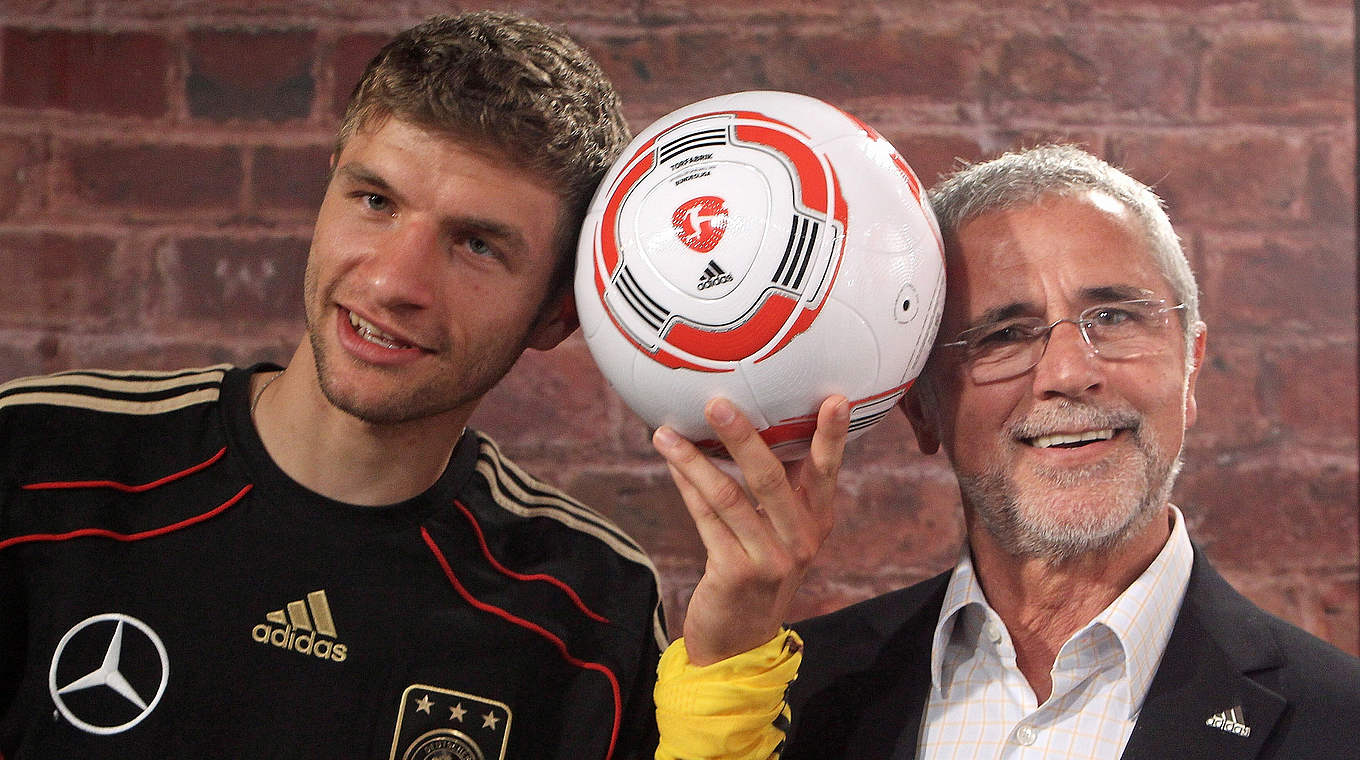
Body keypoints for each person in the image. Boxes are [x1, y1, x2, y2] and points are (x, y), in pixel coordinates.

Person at [0, 12, 675, 759]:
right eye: (375, 201)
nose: (393, 282)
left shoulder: (591, 606)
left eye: (476, 244)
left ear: (556, 314)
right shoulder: (39, 461)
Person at [650, 143, 1360, 760]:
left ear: (1192, 365)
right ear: (922, 408)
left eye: (1113, 317)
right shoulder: (778, 703)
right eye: (1003, 335)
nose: (1067, 373)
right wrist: (731, 659)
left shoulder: (1341, 723)